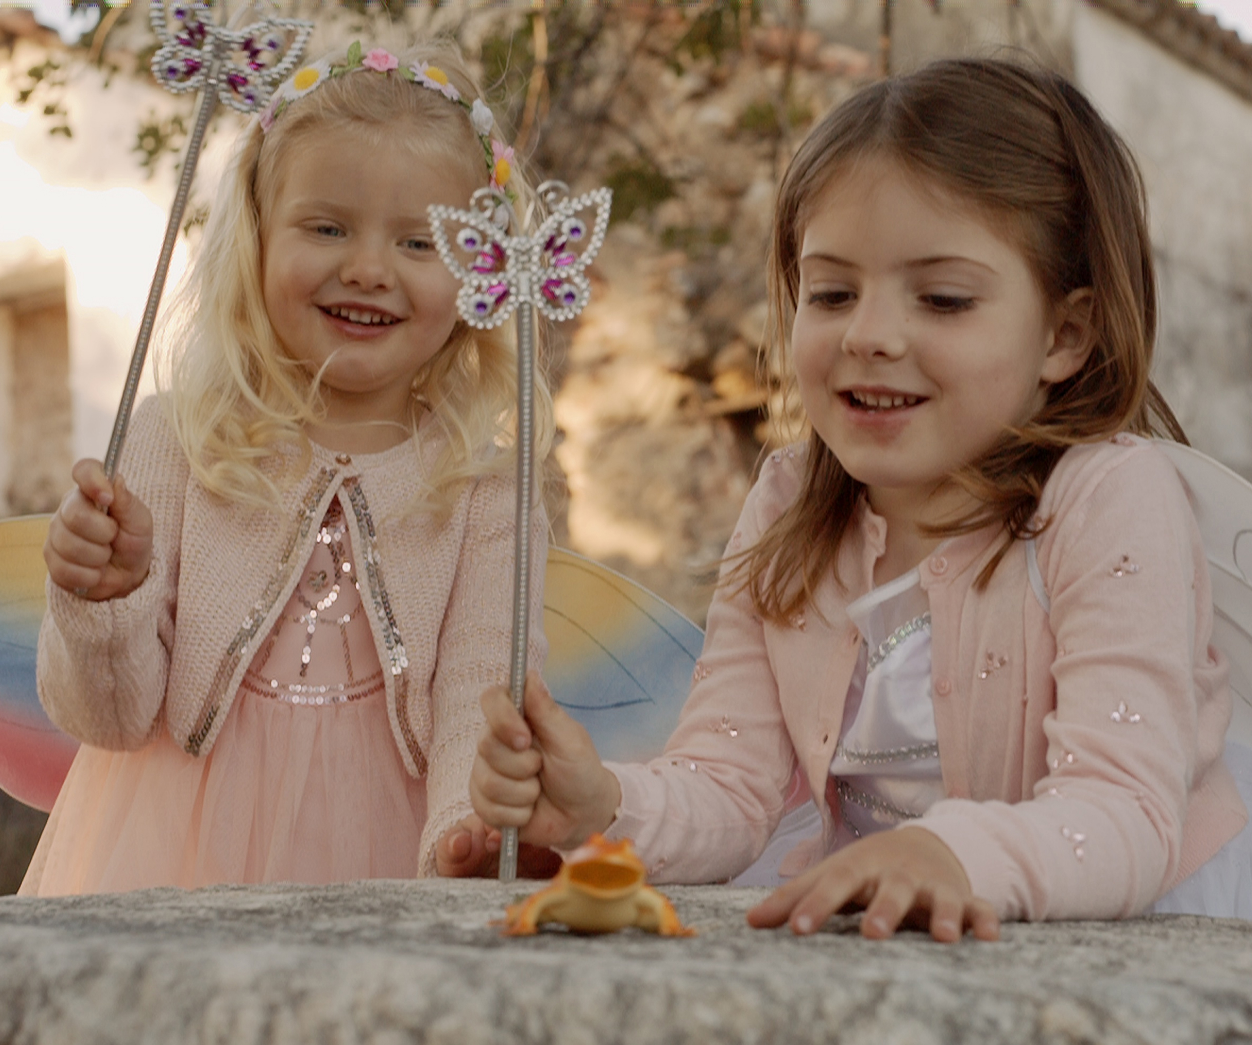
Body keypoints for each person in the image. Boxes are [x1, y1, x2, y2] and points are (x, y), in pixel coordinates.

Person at [470, 57, 1252, 941]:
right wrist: (601, 804)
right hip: (889, 937)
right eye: (833, 292)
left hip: (1130, 932)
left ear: (1065, 334)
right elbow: (730, 785)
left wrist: (948, 857)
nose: (871, 336)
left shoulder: (1108, 500)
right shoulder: (790, 503)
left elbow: (1122, 813)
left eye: (944, 299)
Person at [22, 40, 553, 894]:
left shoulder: (484, 492)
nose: (369, 268)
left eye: (421, 242)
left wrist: (466, 841)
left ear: (479, 272)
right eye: (327, 227)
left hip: (390, 855)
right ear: (259, 238)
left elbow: (479, 699)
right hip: (171, 850)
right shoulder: (179, 443)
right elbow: (107, 719)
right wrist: (101, 599)